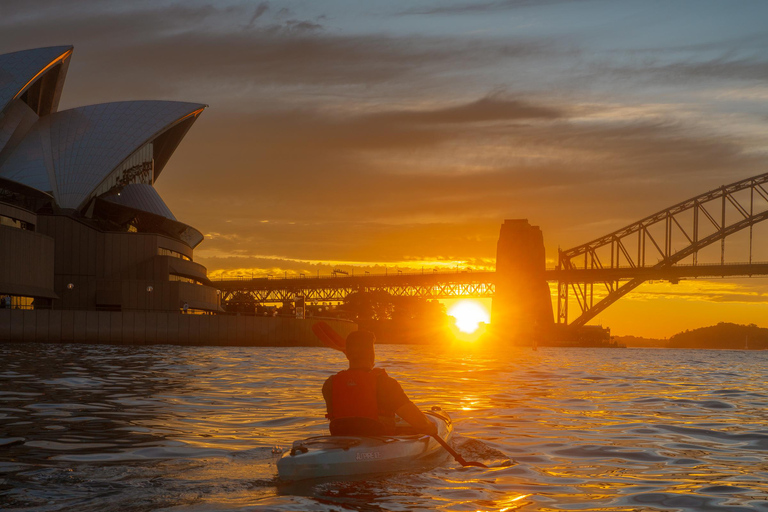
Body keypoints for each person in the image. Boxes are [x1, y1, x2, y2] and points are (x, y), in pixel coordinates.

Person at [322, 330, 438, 437]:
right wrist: (432, 427)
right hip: (380, 446)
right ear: (372, 354)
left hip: (341, 447)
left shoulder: (329, 384)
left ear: (347, 355)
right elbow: (421, 424)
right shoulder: (385, 384)